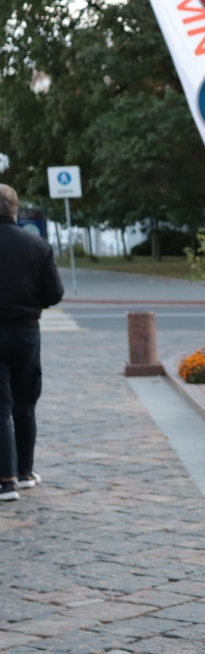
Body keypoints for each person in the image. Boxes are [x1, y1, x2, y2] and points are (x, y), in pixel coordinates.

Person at [0, 184, 63, 503]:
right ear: (15, 209)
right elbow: (54, 294)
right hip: (26, 332)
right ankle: (25, 472)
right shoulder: (36, 245)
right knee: (26, 403)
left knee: (0, 406)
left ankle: (5, 480)